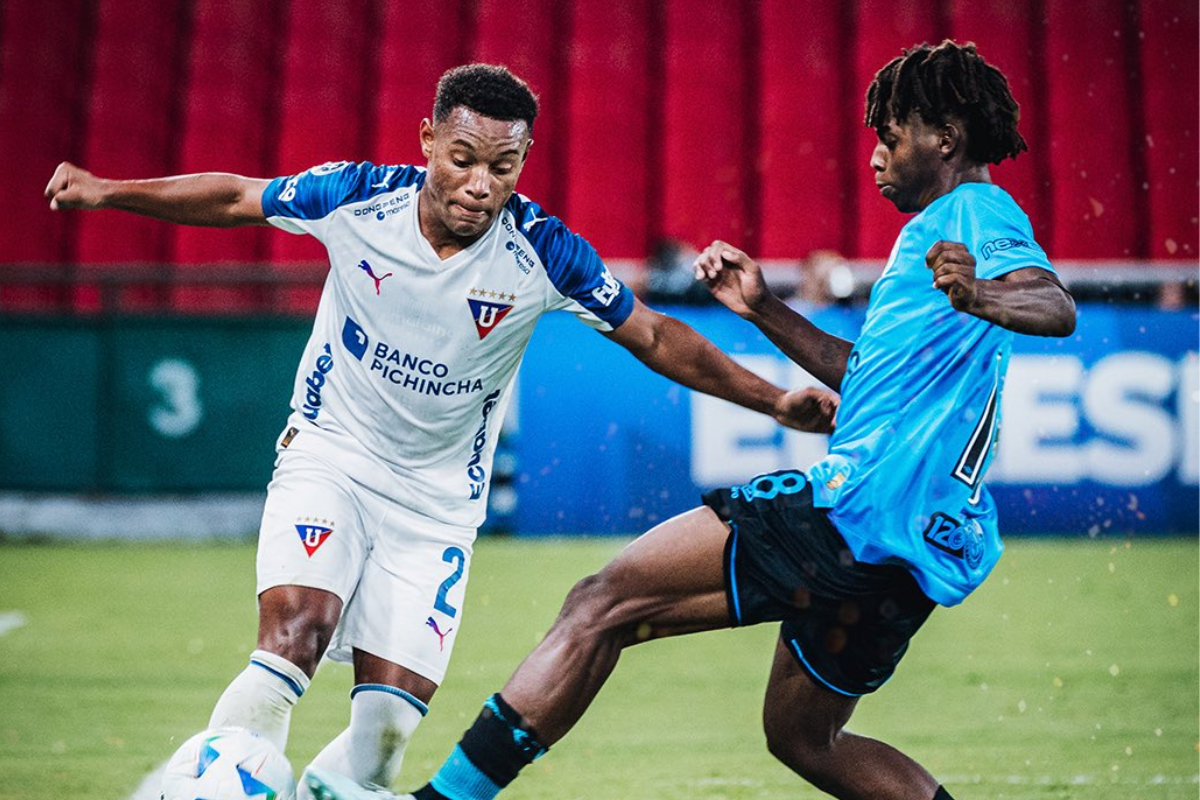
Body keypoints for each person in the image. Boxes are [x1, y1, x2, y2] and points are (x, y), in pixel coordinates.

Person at [305, 41, 1076, 800]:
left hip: (857, 511)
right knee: (804, 737)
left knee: (601, 603)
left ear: (944, 137)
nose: (877, 157)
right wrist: (764, 308)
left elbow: (1054, 304)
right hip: (916, 548)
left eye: (891, 136)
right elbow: (872, 376)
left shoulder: (975, 211)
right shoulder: (935, 240)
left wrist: (985, 298)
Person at [44, 65, 832, 797]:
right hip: (331, 457)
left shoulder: (543, 251)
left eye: (504, 167)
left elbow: (656, 336)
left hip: (436, 506)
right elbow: (235, 198)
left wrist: (773, 401)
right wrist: (108, 191)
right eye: (462, 158)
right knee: (295, 637)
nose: (480, 186)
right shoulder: (355, 198)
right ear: (427, 141)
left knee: (385, 732)